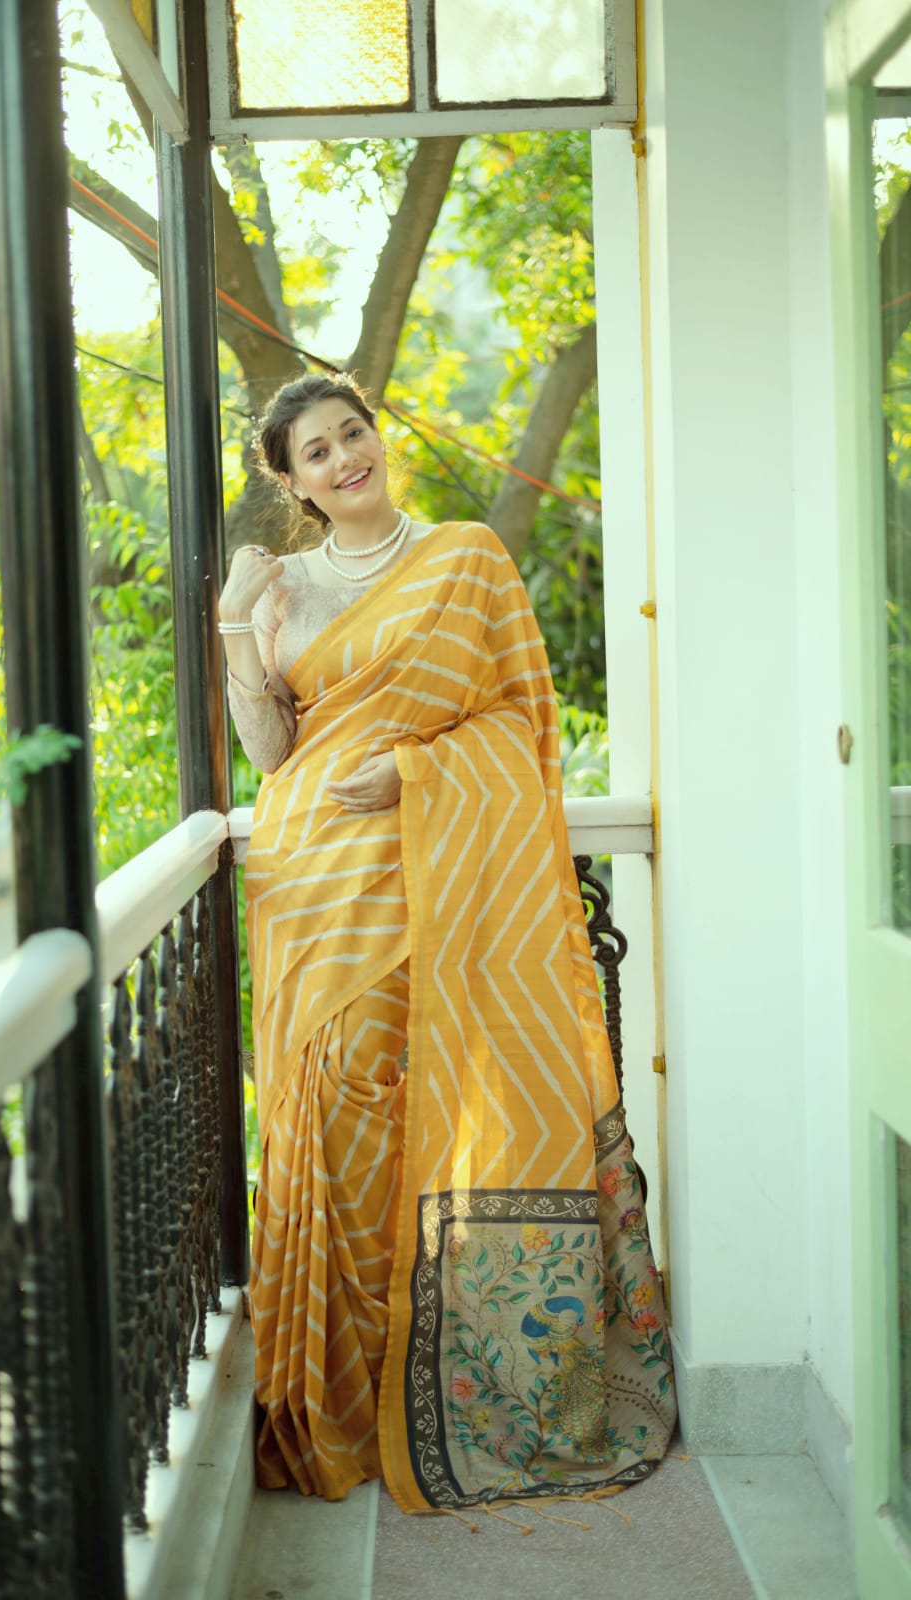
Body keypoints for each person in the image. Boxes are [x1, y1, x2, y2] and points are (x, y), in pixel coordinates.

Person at [220, 372, 676, 1516]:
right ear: (293, 483)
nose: (343, 459)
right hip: (311, 884)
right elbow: (271, 749)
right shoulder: (284, 585)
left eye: (351, 434)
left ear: (375, 437)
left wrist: (418, 769)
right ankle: (354, 1389)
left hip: (429, 866)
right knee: (332, 1116)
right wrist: (236, 623)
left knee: (418, 1102)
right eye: (315, 454)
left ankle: (436, 1378)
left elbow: (518, 719)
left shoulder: (467, 556)